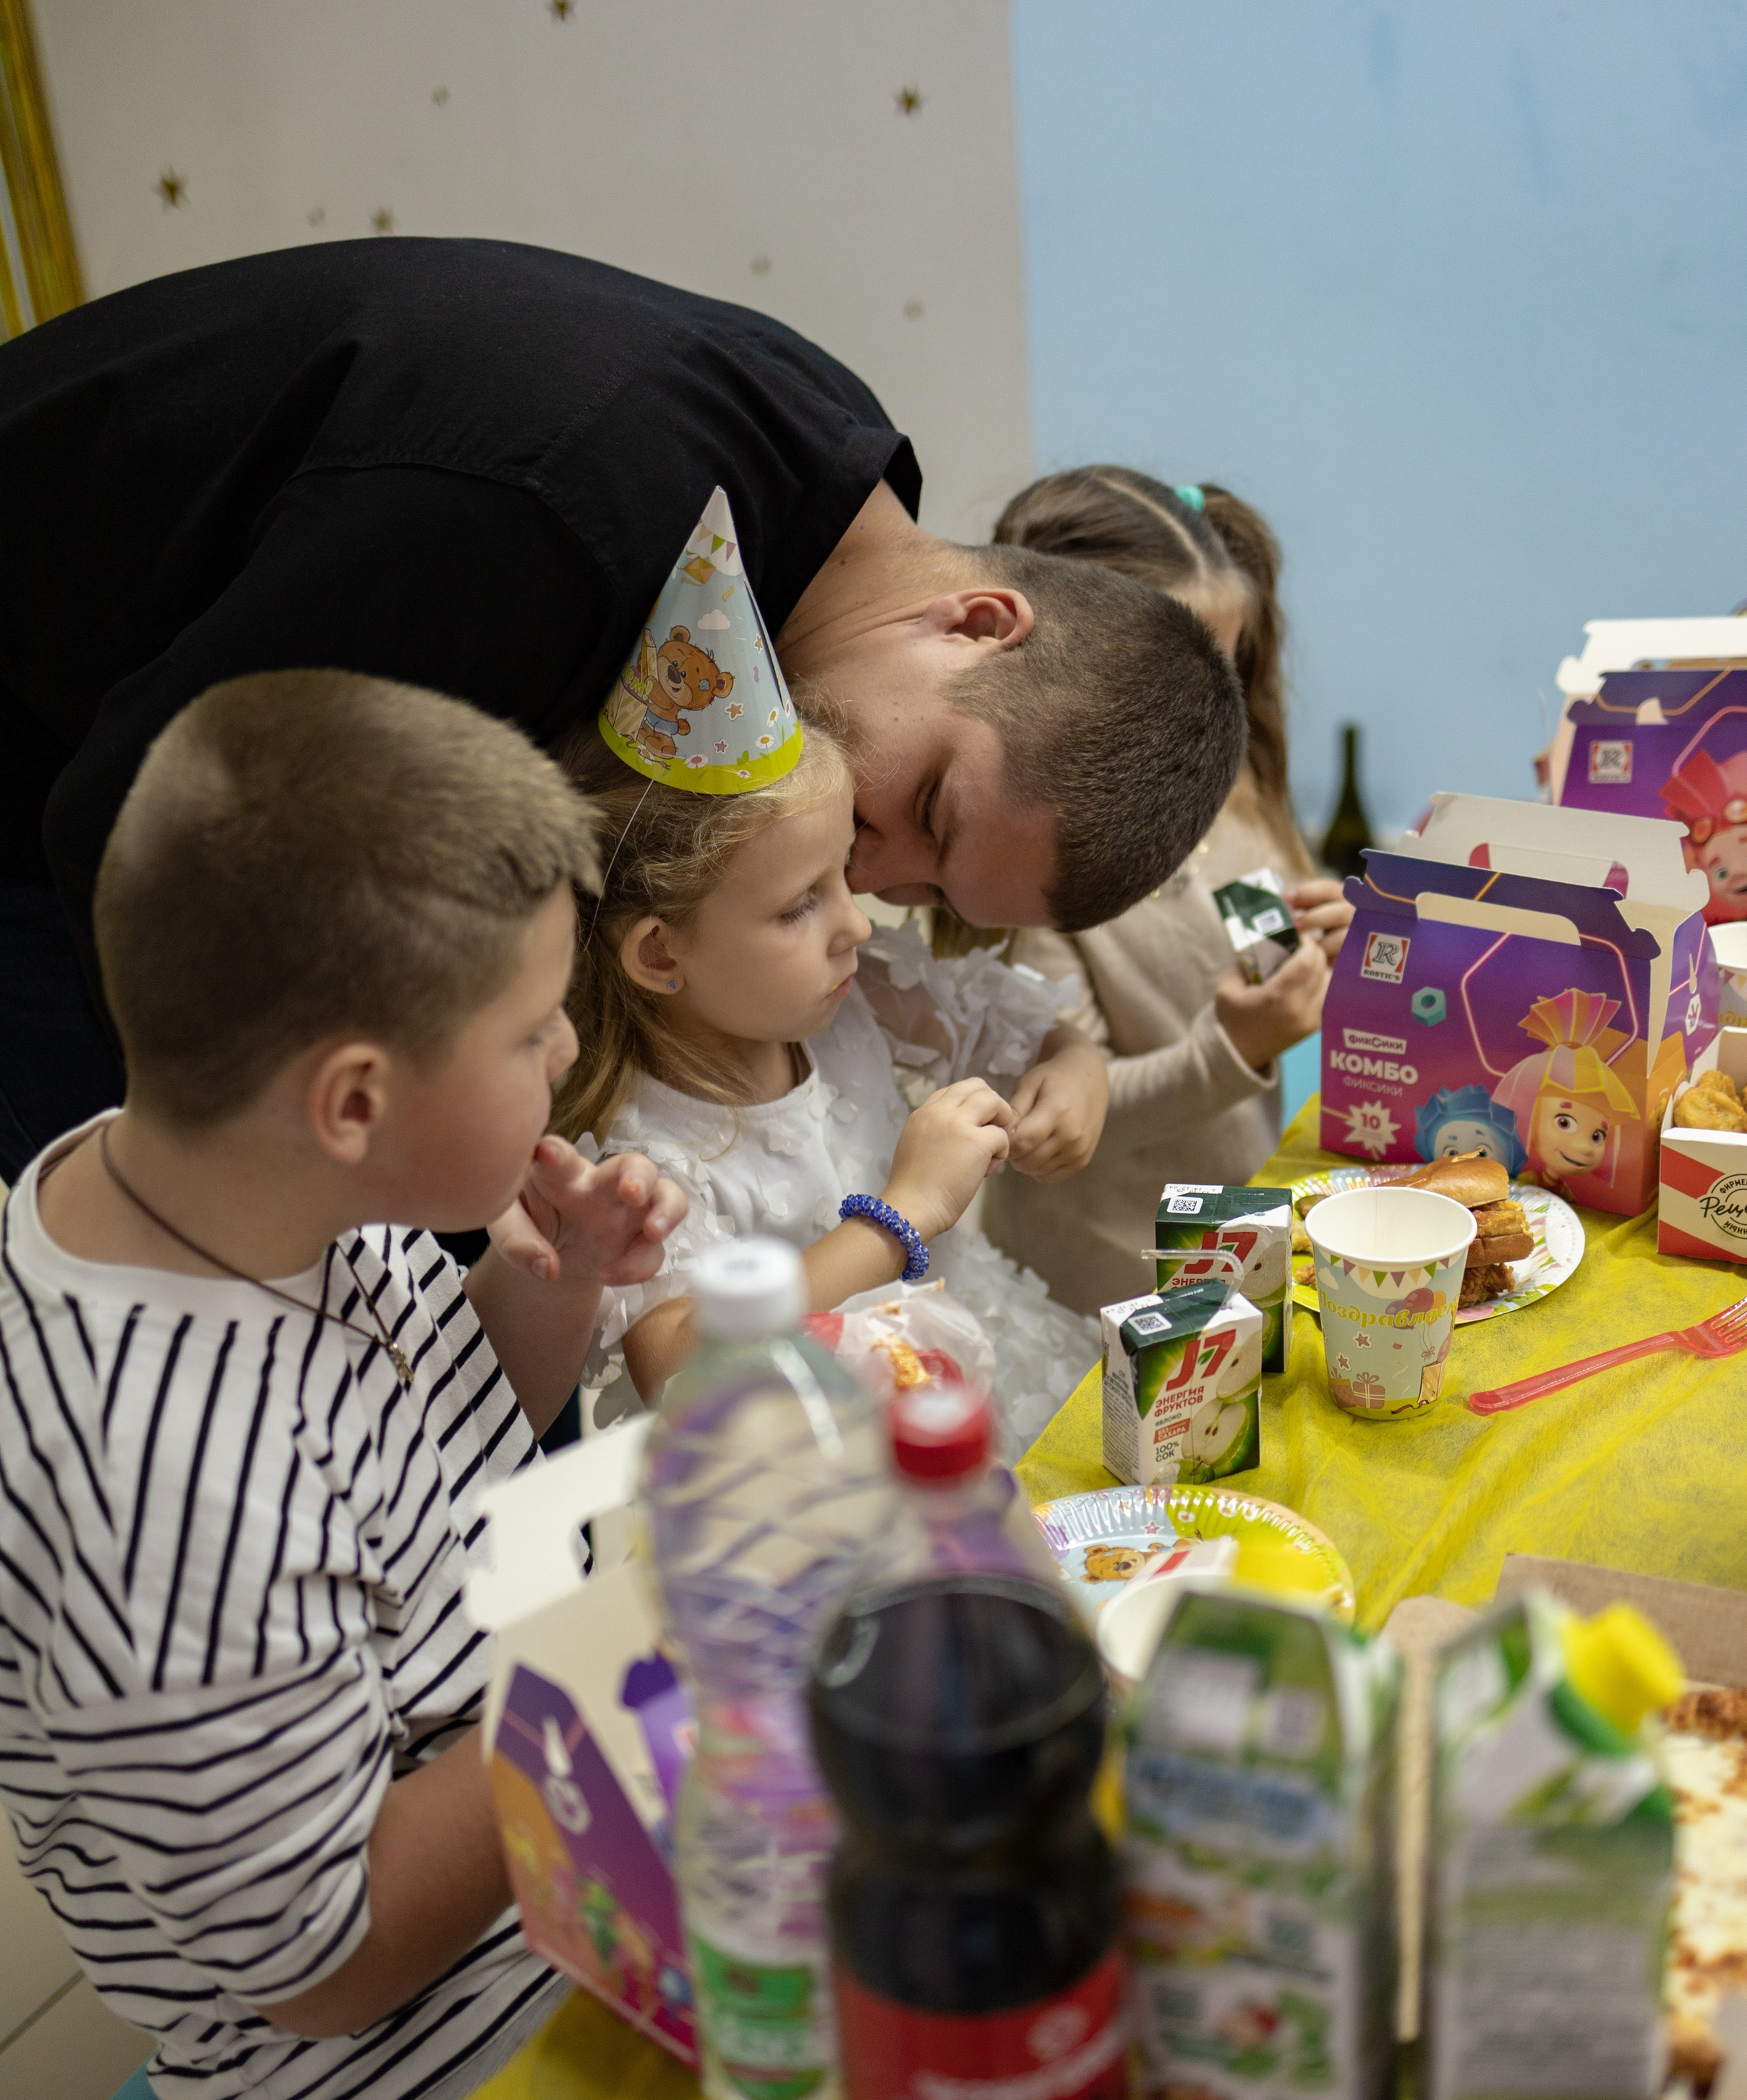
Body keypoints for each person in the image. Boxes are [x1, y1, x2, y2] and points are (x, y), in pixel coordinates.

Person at [0, 240, 1243, 1177]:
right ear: (978, 622)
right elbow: (137, 835)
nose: (869, 868)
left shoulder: (825, 519)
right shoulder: (554, 530)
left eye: (923, 890)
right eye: (926, 804)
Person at [0, 669, 688, 2100]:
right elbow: (328, 1965)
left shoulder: (249, 1191)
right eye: (531, 1032)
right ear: (356, 1099)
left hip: (528, 1777)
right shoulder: (151, 1496)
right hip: (411, 2055)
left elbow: (431, 1440)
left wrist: (553, 1278)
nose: (570, 1047)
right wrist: (628, 1648)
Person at [555, 716, 1103, 1456]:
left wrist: (1075, 1072)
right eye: (799, 905)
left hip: (998, 1372)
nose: (856, 926)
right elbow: (680, 1367)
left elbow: (1029, 1029)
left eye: (842, 875)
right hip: (849, 1463)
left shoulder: (853, 999)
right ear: (660, 952)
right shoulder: (641, 1159)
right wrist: (900, 1215)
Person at [975, 466, 1351, 1315]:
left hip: (1231, 1234)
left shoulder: (1236, 786)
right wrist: (1231, 1048)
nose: (1212, 712)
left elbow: (1250, 938)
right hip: (1098, 1291)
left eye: (1229, 667)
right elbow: (1057, 1120)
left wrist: (1329, 940)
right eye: (1181, 672)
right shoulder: (1018, 869)